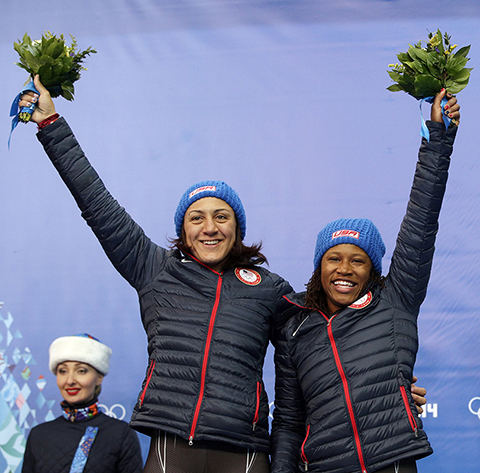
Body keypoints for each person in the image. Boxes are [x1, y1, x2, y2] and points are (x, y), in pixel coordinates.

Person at [17, 75, 427, 473]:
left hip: (245, 455)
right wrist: (52, 126)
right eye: (197, 217)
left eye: (221, 217)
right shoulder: (155, 270)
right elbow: (96, 203)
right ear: (183, 230)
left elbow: (336, 326)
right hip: (171, 451)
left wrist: (391, 396)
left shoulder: (270, 290)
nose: (209, 227)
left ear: (237, 230)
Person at [270, 90, 460, 473]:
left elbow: (422, 219)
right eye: (334, 259)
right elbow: (289, 425)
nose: (344, 269)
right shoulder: (295, 331)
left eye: (358, 261)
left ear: (372, 270)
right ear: (318, 267)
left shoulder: (395, 301)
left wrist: (438, 139)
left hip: (390, 463)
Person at [22, 333, 143, 473]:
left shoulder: (120, 434)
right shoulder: (39, 435)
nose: (70, 380)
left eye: (81, 371)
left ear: (99, 377)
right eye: (63, 371)